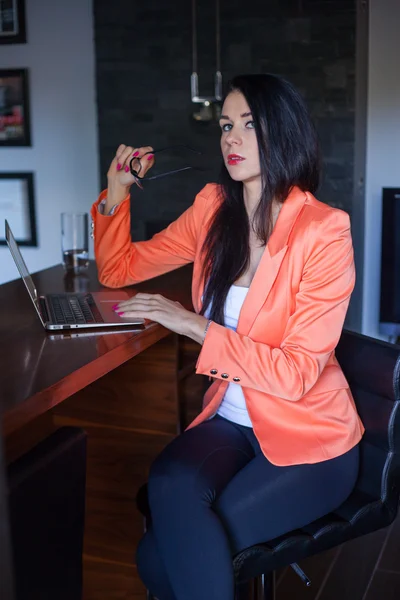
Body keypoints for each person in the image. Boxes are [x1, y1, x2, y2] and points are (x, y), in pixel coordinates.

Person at [90, 73, 365, 600]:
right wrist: (116, 191)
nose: (231, 139)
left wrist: (196, 325)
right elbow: (119, 268)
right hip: (234, 422)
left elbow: (296, 373)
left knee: (159, 557)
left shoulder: (324, 231)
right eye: (224, 126)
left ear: (283, 131)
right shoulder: (214, 207)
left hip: (311, 441)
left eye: (248, 125)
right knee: (168, 481)